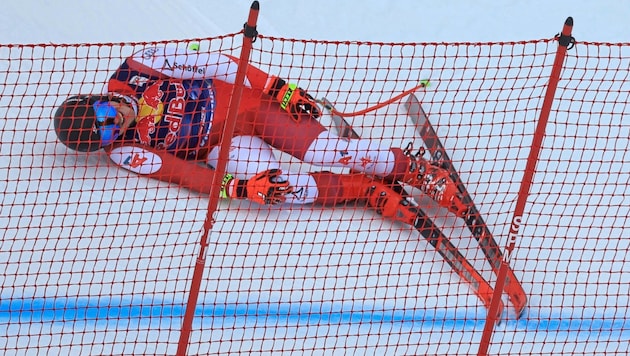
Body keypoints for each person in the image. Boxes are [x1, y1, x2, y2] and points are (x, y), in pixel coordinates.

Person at [53, 46, 467, 218]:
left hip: (246, 106)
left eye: (106, 114)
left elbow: (214, 63)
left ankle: (414, 169)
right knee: (277, 190)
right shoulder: (125, 151)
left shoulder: (136, 67)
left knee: (326, 152)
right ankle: (366, 190)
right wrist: (239, 188)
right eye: (107, 133)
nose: (116, 123)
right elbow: (183, 174)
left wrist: (273, 87)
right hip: (223, 146)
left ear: (96, 98)